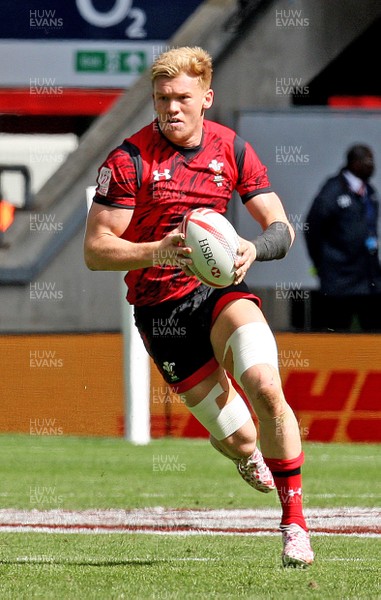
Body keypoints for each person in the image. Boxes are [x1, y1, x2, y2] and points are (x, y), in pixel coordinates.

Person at [84, 46, 314, 567]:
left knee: (267, 387)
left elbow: (281, 228)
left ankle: (294, 523)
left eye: (182, 98)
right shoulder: (128, 160)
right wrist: (153, 251)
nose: (171, 108)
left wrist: (254, 248)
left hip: (219, 292)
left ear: (206, 98)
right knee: (240, 437)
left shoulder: (231, 150)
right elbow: (96, 249)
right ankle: (243, 451)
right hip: (159, 311)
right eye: (162, 98)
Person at [305, 144, 381, 332]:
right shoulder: (332, 191)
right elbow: (312, 228)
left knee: (373, 335)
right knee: (337, 334)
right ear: (354, 163)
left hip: (368, 278)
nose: (372, 166)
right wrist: (323, 263)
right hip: (340, 281)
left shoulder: (369, 192)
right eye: (367, 161)